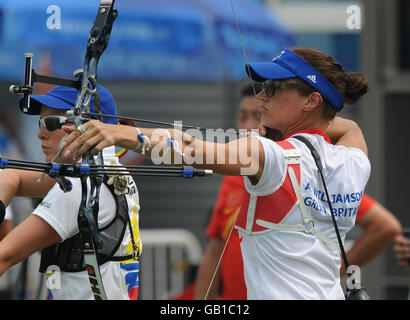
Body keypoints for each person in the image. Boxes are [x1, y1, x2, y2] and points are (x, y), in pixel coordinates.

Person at [61, 48, 371, 299]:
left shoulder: (270, 155)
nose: (261, 96)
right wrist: (309, 115)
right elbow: (349, 126)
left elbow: (190, 149)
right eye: (264, 87)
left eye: (274, 88)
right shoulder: (354, 160)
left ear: (312, 100)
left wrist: (119, 134)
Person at [193, 84, 401, 300]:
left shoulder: (308, 172)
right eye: (242, 116)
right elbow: (216, 246)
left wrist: (332, 271)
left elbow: (384, 226)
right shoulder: (233, 175)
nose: (247, 125)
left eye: (258, 115)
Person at [0, 85, 142, 300]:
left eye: (50, 123)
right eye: (40, 124)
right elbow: (12, 177)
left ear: (88, 127)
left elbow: (5, 256)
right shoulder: (107, 173)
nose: (40, 135)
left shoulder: (79, 186)